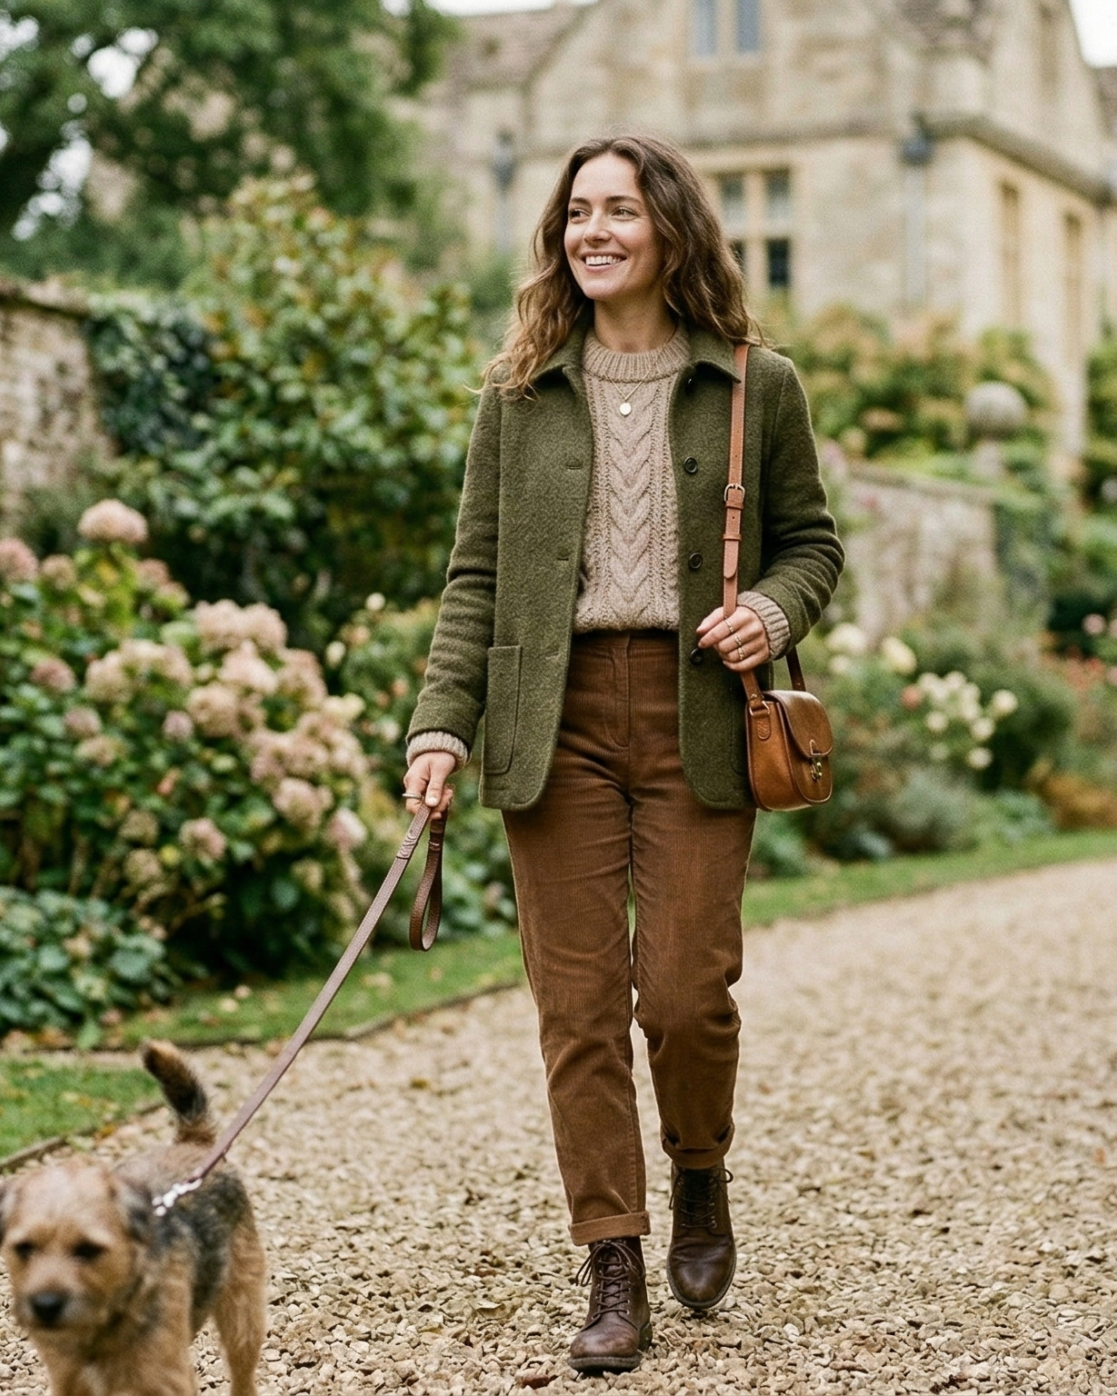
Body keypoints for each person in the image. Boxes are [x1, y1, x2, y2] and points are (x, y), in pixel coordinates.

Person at [400, 131, 842, 1375]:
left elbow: (811, 542)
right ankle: (614, 1259)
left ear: (668, 231)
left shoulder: (759, 382)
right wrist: (441, 723)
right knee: (579, 1010)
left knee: (688, 995)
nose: (593, 230)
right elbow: (474, 577)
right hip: (556, 717)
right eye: (576, 211)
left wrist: (775, 608)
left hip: (702, 710)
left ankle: (699, 1169)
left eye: (619, 211)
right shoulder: (518, 389)